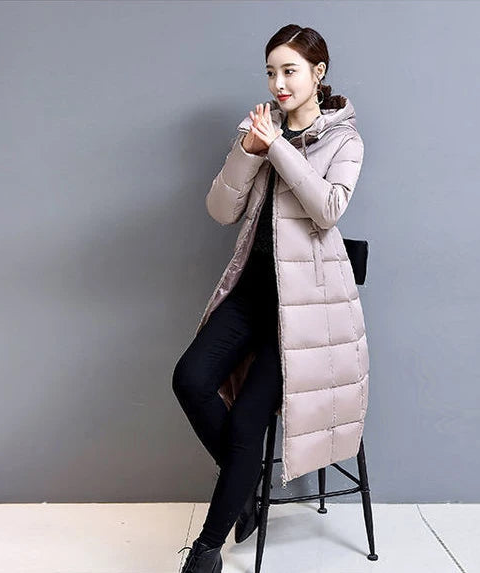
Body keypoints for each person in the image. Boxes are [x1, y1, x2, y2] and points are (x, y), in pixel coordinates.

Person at [172, 23, 367, 573]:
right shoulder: (260, 128)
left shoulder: (344, 140)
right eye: (271, 72)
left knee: (246, 424)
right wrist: (248, 150)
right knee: (189, 379)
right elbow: (221, 211)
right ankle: (247, 489)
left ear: (318, 74)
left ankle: (206, 552)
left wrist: (278, 148)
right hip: (252, 295)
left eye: (290, 71)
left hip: (303, 312)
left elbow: (328, 210)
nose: (279, 83)